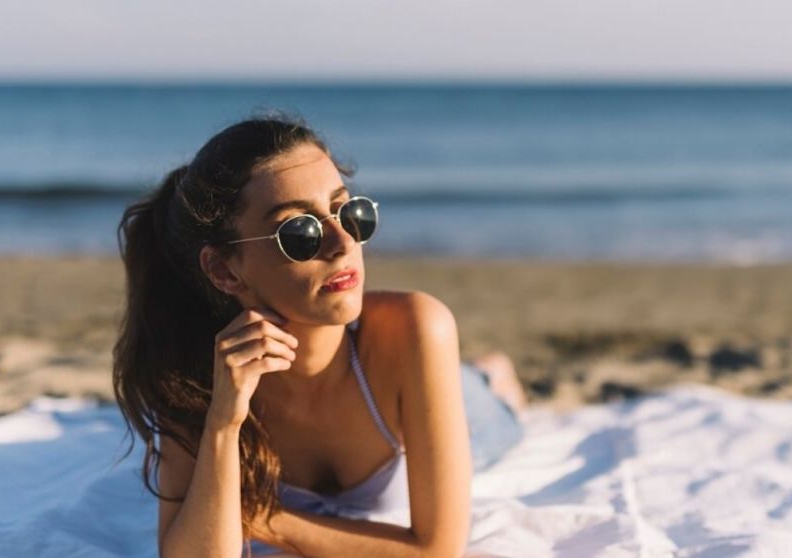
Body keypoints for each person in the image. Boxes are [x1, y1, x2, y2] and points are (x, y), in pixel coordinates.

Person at [112, 112, 527, 557]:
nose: (343, 242)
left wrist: (260, 517)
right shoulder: (192, 373)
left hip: (458, 408)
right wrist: (224, 423)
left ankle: (490, 373)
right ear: (224, 269)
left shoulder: (417, 328)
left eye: (348, 211)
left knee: (493, 402)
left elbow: (436, 551)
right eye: (300, 231)